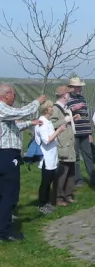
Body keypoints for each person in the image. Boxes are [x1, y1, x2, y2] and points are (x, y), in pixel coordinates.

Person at [0, 84, 44, 241]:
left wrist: (31, 123)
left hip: (4, 154)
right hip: (6, 154)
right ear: (6, 95)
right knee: (10, 193)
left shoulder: (4, 113)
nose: (15, 97)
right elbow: (21, 112)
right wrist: (37, 102)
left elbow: (14, 125)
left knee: (4, 192)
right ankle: (4, 231)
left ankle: (3, 224)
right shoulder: (2, 107)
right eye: (13, 94)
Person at [35, 101, 67, 214]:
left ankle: (47, 202)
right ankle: (42, 204)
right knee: (45, 182)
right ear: (46, 109)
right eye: (50, 107)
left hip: (52, 156)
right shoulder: (42, 123)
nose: (52, 108)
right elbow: (46, 140)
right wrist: (58, 131)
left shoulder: (47, 122)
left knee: (49, 181)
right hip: (46, 157)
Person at [66, 77, 95, 187]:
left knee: (88, 155)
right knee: (76, 156)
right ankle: (78, 179)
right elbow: (65, 113)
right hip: (74, 131)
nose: (80, 88)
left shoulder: (82, 98)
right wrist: (74, 109)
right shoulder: (67, 99)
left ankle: (93, 178)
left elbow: (86, 115)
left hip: (84, 130)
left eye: (80, 87)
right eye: (78, 87)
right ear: (72, 88)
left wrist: (89, 133)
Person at [51, 86, 78, 206]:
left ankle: (68, 194)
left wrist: (72, 118)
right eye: (69, 94)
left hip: (69, 143)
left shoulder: (65, 108)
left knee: (71, 171)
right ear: (65, 95)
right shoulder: (55, 109)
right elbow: (51, 124)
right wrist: (65, 120)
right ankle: (59, 197)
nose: (70, 97)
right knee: (62, 172)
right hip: (62, 144)